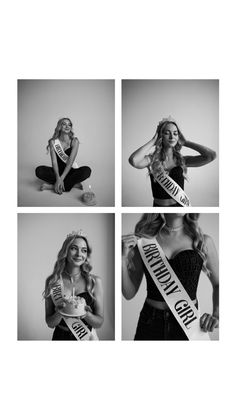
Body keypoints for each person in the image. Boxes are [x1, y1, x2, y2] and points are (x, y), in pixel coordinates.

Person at [122, 213, 219, 340]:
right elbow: (129, 293)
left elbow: (219, 284)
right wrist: (122, 260)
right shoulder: (144, 241)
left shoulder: (202, 241)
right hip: (150, 322)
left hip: (188, 323)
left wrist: (217, 315)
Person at [128, 117, 217, 206]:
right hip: (158, 210)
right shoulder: (152, 160)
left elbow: (211, 156)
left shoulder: (182, 161)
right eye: (167, 133)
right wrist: (153, 141)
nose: (172, 137)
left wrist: (186, 142)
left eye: (175, 133)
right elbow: (134, 160)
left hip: (179, 209)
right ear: (160, 136)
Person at [44, 231, 104, 340]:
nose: (79, 254)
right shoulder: (52, 281)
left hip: (86, 338)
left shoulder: (95, 281)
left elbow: (99, 323)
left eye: (84, 250)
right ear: (65, 251)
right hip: (60, 337)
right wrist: (60, 312)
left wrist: (86, 314)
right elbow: (50, 323)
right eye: (74, 248)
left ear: (87, 255)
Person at [35, 118, 91, 194]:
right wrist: (58, 177)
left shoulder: (75, 141)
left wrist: (61, 178)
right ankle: (71, 184)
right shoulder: (53, 141)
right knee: (39, 170)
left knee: (87, 171)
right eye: (64, 124)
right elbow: (54, 162)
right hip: (57, 171)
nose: (67, 126)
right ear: (59, 127)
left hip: (70, 171)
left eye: (69, 124)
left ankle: (52, 186)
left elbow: (70, 163)